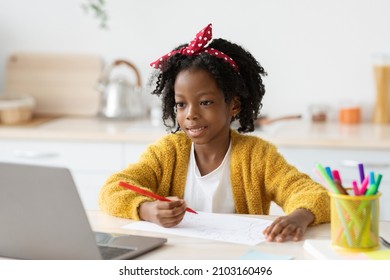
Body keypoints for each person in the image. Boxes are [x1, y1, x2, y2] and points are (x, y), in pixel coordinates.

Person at [99, 23, 330, 242]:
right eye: (181, 104)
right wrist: (146, 209)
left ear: (234, 105)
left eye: (205, 102)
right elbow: (112, 190)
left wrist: (299, 217)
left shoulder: (258, 156)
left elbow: (314, 194)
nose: (191, 114)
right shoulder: (167, 153)